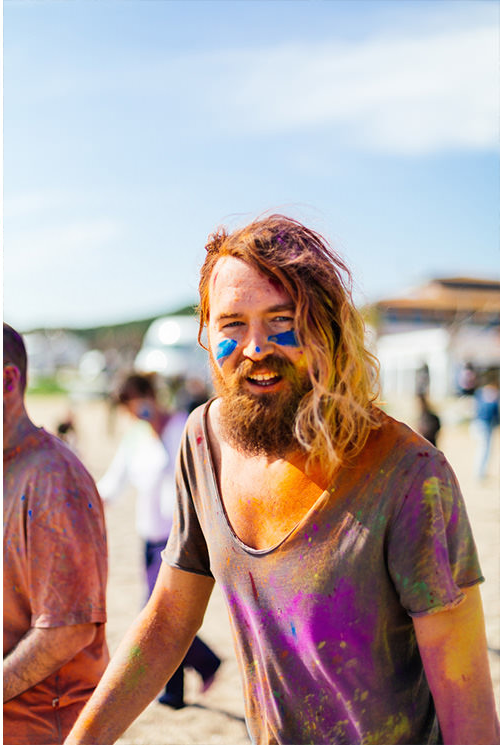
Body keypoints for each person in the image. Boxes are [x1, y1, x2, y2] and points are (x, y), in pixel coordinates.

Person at [67, 215, 499, 745]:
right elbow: (168, 618)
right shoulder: (203, 443)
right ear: (208, 331)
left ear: (326, 326)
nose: (255, 347)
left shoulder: (409, 477)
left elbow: (469, 715)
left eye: (280, 320)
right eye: (232, 324)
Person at [3, 323, 109, 745]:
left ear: (8, 380)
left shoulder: (53, 478)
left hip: (50, 724)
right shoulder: (12, 463)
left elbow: (70, 629)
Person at [97, 373, 220, 709]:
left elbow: (197, 477)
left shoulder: (183, 426)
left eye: (137, 401)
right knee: (165, 616)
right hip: (148, 536)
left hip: (181, 537)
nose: (134, 411)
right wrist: (85, 499)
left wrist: (159, 429)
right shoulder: (135, 437)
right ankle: (174, 692)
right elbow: (114, 483)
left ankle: (208, 661)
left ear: (151, 395)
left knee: (155, 616)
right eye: (127, 406)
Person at [472, 376, 499, 481]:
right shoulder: (492, 396)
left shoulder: (480, 393)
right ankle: (479, 473)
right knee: (484, 449)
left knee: (484, 449)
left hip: (480, 423)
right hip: (484, 424)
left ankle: (480, 472)